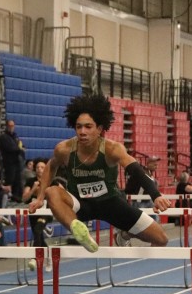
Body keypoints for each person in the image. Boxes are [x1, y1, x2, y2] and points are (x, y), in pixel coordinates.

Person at [28, 94, 168, 252]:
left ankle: (124, 235)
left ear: (99, 129)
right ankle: (79, 231)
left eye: (88, 127)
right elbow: (51, 166)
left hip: (111, 204)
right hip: (80, 204)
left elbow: (136, 170)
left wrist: (156, 195)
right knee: (52, 192)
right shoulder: (64, 149)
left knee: (161, 239)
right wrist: (40, 198)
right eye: (79, 127)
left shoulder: (112, 149)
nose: (82, 131)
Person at [0, 119, 25, 202]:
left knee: (18, 181)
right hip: (9, 164)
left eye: (12, 126)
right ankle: (6, 200)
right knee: (9, 181)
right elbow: (11, 148)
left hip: (17, 163)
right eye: (9, 126)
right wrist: (20, 149)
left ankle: (17, 199)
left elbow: (20, 146)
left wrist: (20, 149)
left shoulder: (15, 137)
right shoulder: (3, 137)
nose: (11, 127)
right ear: (6, 126)